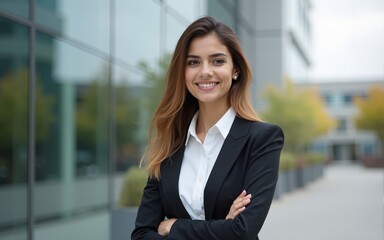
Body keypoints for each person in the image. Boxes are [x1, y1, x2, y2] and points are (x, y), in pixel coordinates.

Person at [131, 16, 284, 240]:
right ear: (183, 73)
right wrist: (222, 227)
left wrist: (172, 227)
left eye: (217, 61)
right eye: (193, 62)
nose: (205, 71)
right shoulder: (170, 143)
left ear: (235, 70)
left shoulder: (262, 139)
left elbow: (242, 230)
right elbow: (141, 234)